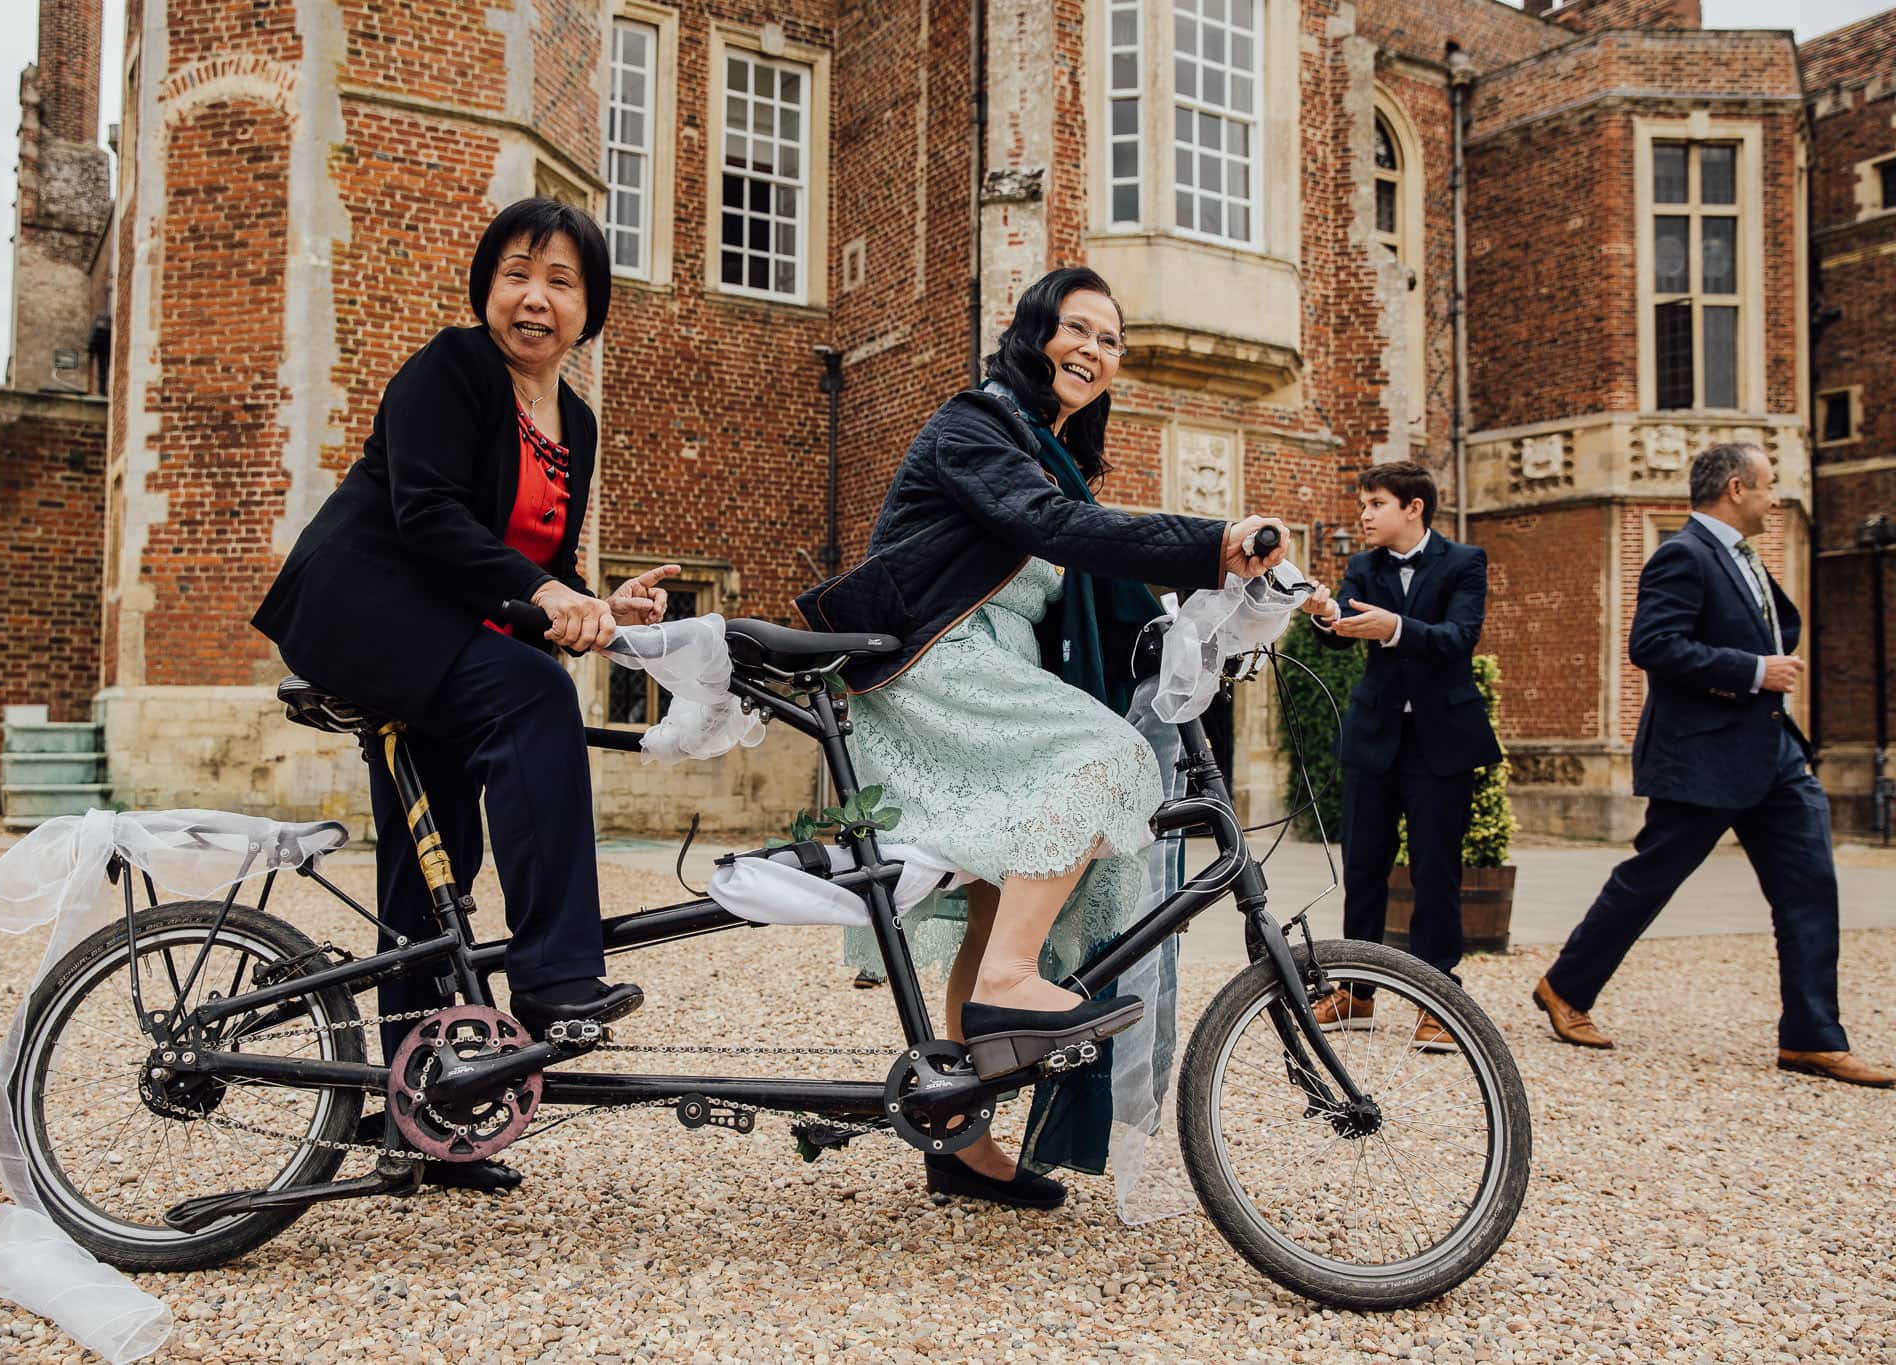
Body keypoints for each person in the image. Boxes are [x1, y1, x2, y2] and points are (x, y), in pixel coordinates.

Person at [798, 266, 1316, 1208]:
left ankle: (958, 1134)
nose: (1093, 349)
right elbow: (1057, 530)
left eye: (1112, 340)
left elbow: (1087, 546)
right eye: (1076, 328)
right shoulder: (975, 423)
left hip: (989, 666)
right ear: (1033, 333)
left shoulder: (1044, 449)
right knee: (1107, 759)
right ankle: (1007, 982)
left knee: (1003, 889)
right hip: (938, 662)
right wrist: (1211, 539)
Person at [252, 198, 680, 1189]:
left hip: (451, 631)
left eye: (561, 283)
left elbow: (544, 551)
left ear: (590, 308)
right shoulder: (448, 371)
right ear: (486, 287)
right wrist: (542, 601)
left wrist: (590, 599)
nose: (535, 298)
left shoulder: (572, 418)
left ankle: (422, 1114)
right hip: (369, 605)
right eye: (516, 274)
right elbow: (429, 514)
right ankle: (554, 979)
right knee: (534, 698)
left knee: (430, 865)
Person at [1531, 442, 1891, 1087]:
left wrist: (1767, 667)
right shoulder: (1683, 554)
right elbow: (1655, 645)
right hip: (1702, 757)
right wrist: (1755, 670)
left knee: (1811, 888)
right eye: (1768, 485)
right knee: (1651, 879)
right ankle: (1564, 986)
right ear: (1735, 488)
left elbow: (1772, 626)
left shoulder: (1745, 557)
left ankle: (1813, 1038)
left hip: (1776, 752)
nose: (1776, 497)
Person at [1302, 462, 1502, 1052]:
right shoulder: (1363, 566)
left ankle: (1437, 998)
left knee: (1436, 870)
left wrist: (1395, 629)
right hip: (1375, 737)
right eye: (1363, 503)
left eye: (1375, 503)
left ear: (1413, 507)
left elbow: (1458, 638)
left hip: (1443, 738)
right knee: (1363, 865)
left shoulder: (1466, 562)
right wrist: (1324, 616)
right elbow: (1341, 627)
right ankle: (1355, 993)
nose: (1363, 514)